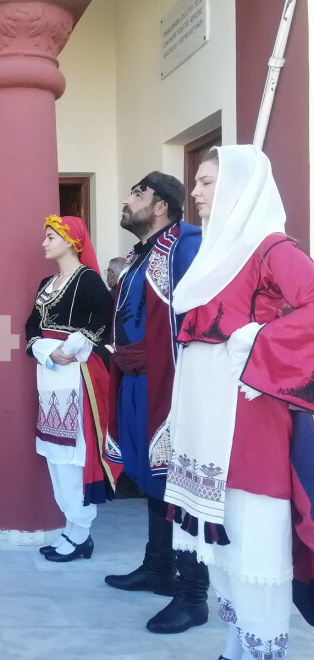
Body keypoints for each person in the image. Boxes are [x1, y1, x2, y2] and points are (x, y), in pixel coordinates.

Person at [165, 145, 314, 660]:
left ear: (240, 189)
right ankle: (236, 645)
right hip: (208, 421)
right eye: (197, 182)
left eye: (207, 182)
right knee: (223, 540)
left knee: (252, 534)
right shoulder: (216, 253)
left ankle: (262, 648)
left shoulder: (272, 248)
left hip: (248, 415)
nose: (196, 193)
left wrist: (259, 339)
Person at [103, 172, 206, 634]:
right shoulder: (140, 254)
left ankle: (193, 594)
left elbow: (198, 316)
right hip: (134, 378)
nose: (127, 201)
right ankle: (158, 566)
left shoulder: (185, 245)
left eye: (137, 194)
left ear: (161, 205)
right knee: (151, 475)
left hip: (170, 382)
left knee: (179, 481)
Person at [25, 215, 118, 562]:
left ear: (70, 240)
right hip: (50, 373)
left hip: (77, 376)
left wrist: (73, 345)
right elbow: (32, 324)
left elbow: (103, 319)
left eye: (50, 237)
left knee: (74, 453)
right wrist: (45, 348)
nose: (44, 243)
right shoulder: (46, 283)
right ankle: (71, 529)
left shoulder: (88, 280)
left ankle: (80, 533)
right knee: (55, 452)